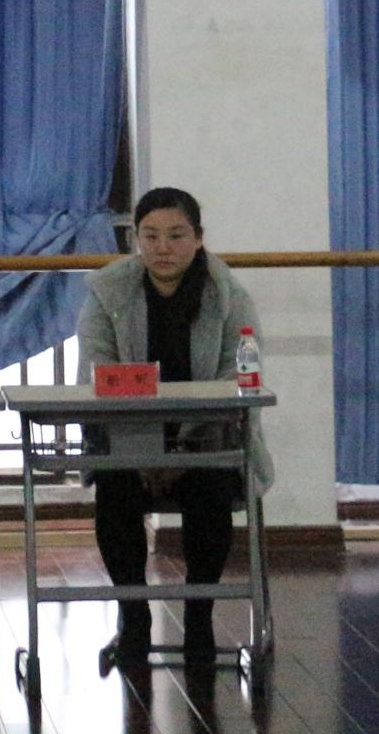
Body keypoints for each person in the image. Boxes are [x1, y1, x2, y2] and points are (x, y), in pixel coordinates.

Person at [77, 185, 272, 669]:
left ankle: (199, 617)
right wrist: (143, 450)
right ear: (136, 240)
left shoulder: (227, 295)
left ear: (199, 238)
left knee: (210, 489)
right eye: (151, 236)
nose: (163, 247)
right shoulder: (107, 291)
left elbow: (238, 377)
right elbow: (96, 376)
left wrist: (182, 448)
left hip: (206, 439)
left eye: (176, 235)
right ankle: (134, 618)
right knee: (115, 492)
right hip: (129, 442)